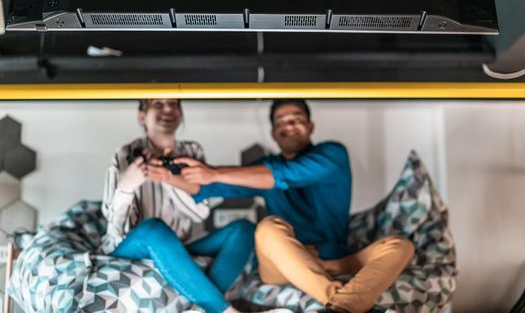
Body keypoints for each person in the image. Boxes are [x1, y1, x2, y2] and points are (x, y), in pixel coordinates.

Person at [175, 99, 415, 313]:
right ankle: (343, 303)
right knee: (267, 229)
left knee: (400, 246)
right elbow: (207, 188)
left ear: (311, 126)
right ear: (274, 132)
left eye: (297, 119)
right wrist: (165, 174)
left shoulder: (332, 154)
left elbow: (286, 175)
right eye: (281, 122)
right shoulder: (263, 167)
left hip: (335, 258)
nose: (289, 126)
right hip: (282, 268)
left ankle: (341, 306)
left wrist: (214, 173)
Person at [101, 98, 290, 313]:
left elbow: (200, 212)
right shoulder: (125, 153)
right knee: (153, 228)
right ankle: (223, 309)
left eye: (173, 104)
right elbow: (116, 225)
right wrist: (127, 186)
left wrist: (168, 177)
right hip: (131, 246)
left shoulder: (191, 151)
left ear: (181, 114)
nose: (168, 110)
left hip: (177, 247)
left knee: (245, 229)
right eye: (158, 104)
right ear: (142, 116)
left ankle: (199, 307)